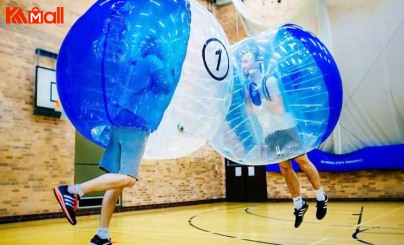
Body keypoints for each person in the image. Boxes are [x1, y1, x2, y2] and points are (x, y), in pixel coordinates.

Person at [53, 38, 176, 245]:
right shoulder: (154, 61)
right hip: (135, 124)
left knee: (115, 183)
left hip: (118, 123)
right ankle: (73, 191)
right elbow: (165, 87)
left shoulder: (132, 64)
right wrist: (171, 70)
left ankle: (102, 235)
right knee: (128, 178)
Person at [240, 46, 328, 228]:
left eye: (246, 61)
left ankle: (321, 197)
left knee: (303, 162)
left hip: (285, 128)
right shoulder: (250, 87)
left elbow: (279, 109)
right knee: (285, 169)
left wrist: (263, 102)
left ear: (256, 62)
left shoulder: (269, 81)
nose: (243, 65)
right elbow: (253, 112)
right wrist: (247, 98)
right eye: (242, 62)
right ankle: (299, 205)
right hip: (270, 133)